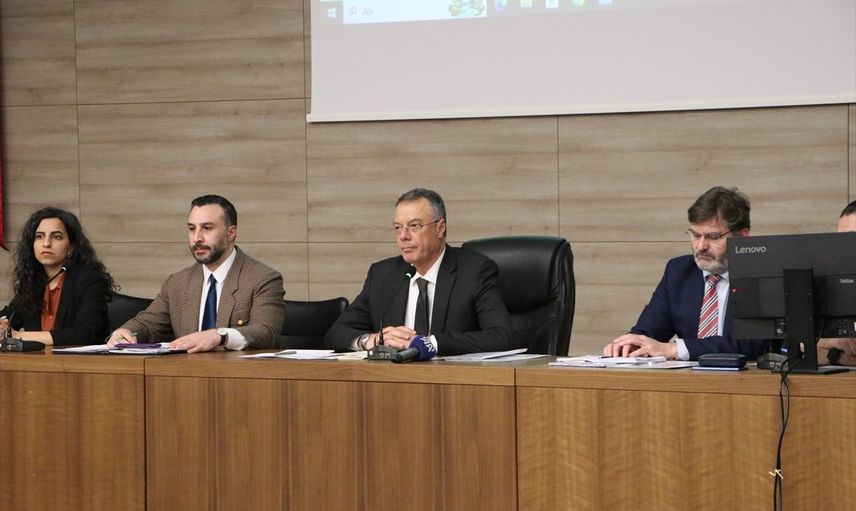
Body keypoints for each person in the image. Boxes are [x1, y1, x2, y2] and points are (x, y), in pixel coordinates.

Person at [324, 188, 513, 355]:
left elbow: (501, 336)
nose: (403, 236)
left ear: (440, 228)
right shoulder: (382, 275)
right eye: (398, 228)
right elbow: (336, 333)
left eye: (414, 226)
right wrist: (370, 340)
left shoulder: (474, 271)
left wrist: (429, 344)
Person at [106, 195, 285, 353]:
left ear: (231, 233)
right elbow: (148, 322)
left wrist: (219, 336)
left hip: (241, 376)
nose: (197, 238)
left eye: (207, 228)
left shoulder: (263, 278)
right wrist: (125, 332)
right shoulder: (178, 282)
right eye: (192, 228)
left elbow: (266, 331)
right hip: (188, 376)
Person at [604, 186, 765, 360]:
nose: (701, 246)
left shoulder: (761, 274)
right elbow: (649, 330)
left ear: (742, 237)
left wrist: (674, 349)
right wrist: (631, 344)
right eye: (695, 235)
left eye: (713, 237)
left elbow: (751, 344)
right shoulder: (679, 271)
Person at [0, 207, 116, 345]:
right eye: (39, 236)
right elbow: (8, 316)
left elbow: (84, 334)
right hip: (39, 358)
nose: (46, 243)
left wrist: (18, 335)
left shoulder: (90, 279)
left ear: (72, 246)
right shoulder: (33, 281)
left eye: (57, 237)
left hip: (81, 358)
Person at [817, 199, 856, 366]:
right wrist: (832, 347)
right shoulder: (832, 288)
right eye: (840, 241)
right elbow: (798, 349)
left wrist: (832, 353)